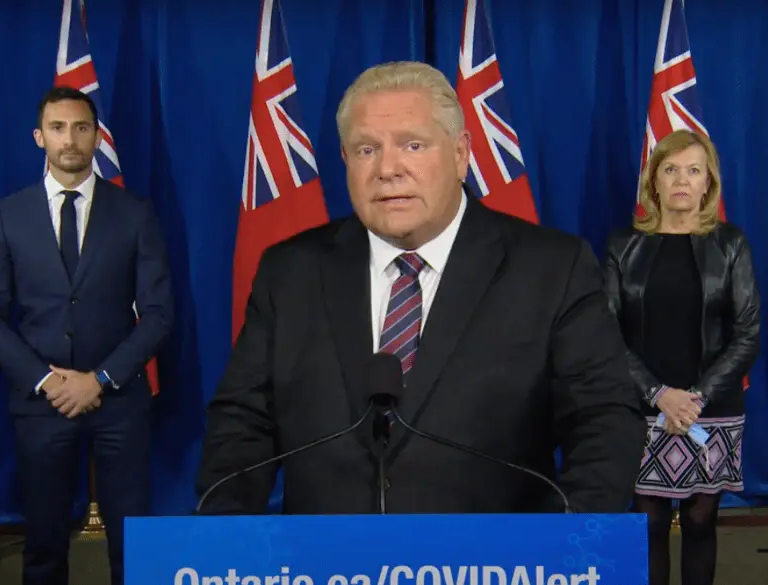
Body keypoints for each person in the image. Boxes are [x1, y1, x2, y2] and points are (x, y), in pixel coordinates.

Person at [195, 61, 646, 515]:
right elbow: (242, 425)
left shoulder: (551, 268)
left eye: (412, 144)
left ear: (460, 154)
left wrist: (567, 549)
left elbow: (603, 422)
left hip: (494, 567)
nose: (388, 168)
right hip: (324, 565)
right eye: (366, 149)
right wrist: (226, 541)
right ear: (346, 161)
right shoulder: (289, 272)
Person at [0, 87, 173, 585]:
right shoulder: (7, 215)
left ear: (95, 135)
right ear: (39, 137)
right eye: (58, 128)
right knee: (42, 540)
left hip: (119, 401)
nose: (70, 139)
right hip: (41, 403)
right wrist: (46, 381)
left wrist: (100, 379)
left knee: (132, 540)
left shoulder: (134, 212)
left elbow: (158, 315)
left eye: (81, 128)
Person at [602, 129, 760, 585]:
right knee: (647, 525)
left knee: (699, 522)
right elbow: (604, 334)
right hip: (641, 409)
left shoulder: (731, 244)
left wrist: (695, 399)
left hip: (711, 411)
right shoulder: (622, 245)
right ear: (653, 181)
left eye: (694, 171)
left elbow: (748, 333)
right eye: (670, 170)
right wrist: (658, 395)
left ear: (709, 182)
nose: (682, 181)